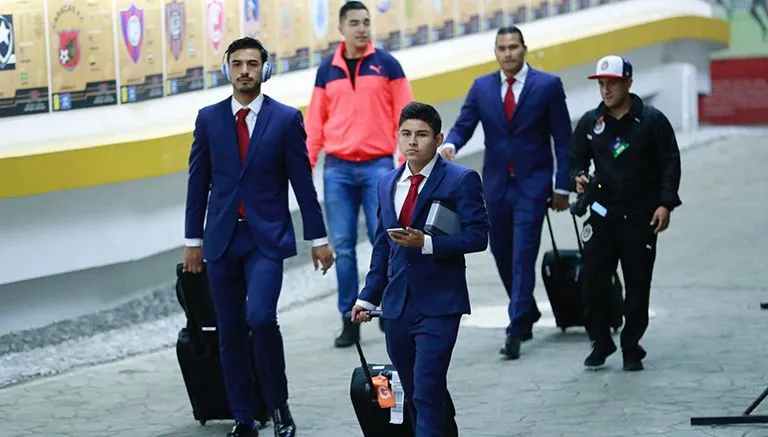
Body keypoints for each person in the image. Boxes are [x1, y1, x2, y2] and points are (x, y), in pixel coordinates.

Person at [183, 37, 334, 437]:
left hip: (266, 238)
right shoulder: (209, 119)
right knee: (229, 331)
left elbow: (303, 184)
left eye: (252, 63)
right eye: (237, 64)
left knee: (261, 319)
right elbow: (197, 185)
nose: (245, 70)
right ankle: (244, 417)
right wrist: (193, 243)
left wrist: (318, 237)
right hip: (221, 241)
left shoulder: (285, 119)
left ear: (265, 69)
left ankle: (279, 406)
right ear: (227, 69)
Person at [351, 102, 490, 437]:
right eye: (406, 134)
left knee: (427, 389)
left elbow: (478, 236)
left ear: (438, 138)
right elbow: (383, 246)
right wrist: (368, 298)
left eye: (422, 135)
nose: (413, 141)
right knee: (416, 392)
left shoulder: (461, 179)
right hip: (397, 307)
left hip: (441, 303)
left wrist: (427, 243)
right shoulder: (387, 183)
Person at [439, 26, 572, 360]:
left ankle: (514, 328)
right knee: (500, 251)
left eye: (514, 47)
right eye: (502, 48)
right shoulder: (482, 87)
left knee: (523, 254)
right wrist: (452, 143)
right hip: (496, 186)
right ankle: (525, 308)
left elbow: (563, 138)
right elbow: (465, 123)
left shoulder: (547, 86)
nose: (508, 53)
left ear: (524, 49)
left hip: (533, 185)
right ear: (495, 53)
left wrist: (562, 185)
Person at [306, 1, 414, 348]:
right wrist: (306, 163)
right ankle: (348, 318)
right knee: (344, 247)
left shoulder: (387, 65)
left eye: (366, 22)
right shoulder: (327, 71)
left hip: (379, 167)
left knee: (387, 240)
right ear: (341, 28)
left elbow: (406, 114)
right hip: (337, 169)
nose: (362, 28)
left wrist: (403, 161)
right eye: (355, 22)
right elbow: (315, 122)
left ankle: (386, 308)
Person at [569, 55, 682, 371]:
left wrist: (665, 203)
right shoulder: (592, 122)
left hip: (640, 217)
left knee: (637, 285)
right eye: (601, 84)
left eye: (612, 84)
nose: (605, 90)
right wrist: (577, 175)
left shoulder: (651, 121)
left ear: (628, 83)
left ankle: (631, 345)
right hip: (602, 216)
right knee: (592, 281)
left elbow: (669, 163)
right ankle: (600, 340)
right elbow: (574, 159)